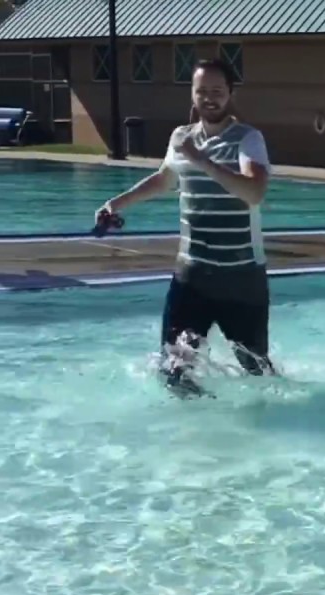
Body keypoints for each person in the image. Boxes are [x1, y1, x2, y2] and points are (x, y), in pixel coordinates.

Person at [96, 58, 273, 398]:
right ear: (192, 94)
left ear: (230, 93)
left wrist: (201, 159)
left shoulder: (248, 139)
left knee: (257, 373)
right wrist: (115, 204)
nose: (209, 98)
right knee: (173, 370)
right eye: (202, 91)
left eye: (217, 91)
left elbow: (254, 192)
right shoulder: (181, 137)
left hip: (241, 278)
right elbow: (164, 179)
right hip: (191, 276)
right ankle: (204, 421)